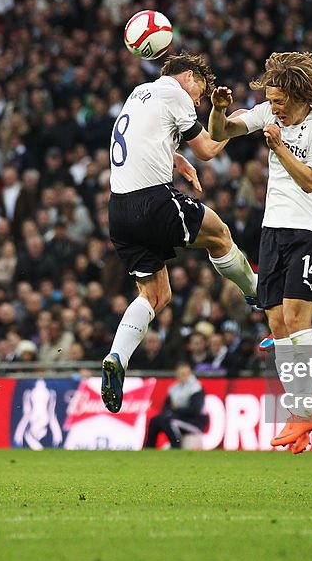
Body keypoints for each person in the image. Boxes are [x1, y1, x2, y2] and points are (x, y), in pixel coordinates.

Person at [100, 54, 259, 413]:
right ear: (189, 77)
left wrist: (174, 156)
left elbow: (140, 138)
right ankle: (256, 294)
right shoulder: (175, 95)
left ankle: (117, 356)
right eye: (200, 93)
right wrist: (233, 123)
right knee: (219, 234)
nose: (199, 102)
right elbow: (208, 149)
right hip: (152, 202)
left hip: (119, 210)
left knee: (156, 295)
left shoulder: (139, 93)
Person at [209, 51, 312, 454]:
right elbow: (221, 133)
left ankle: (304, 411)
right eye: (272, 102)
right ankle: (299, 417)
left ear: (299, 94)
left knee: (298, 317)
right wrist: (218, 111)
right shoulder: (269, 110)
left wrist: (280, 148)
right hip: (273, 231)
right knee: (277, 321)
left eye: (280, 102)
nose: (275, 108)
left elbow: (311, 180)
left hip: (309, 230)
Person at [144, 363, 207, 449]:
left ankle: (176, 446)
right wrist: (171, 412)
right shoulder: (174, 388)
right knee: (155, 420)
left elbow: (195, 410)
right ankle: (149, 448)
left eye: (184, 374)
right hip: (178, 417)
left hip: (194, 422)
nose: (182, 377)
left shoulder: (196, 388)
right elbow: (166, 407)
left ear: (189, 374)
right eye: (180, 374)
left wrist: (176, 409)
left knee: (171, 422)